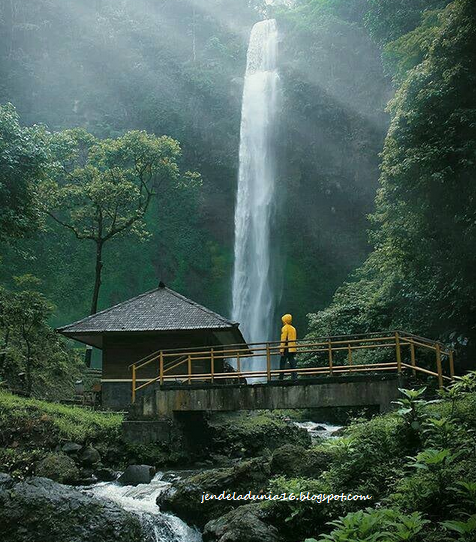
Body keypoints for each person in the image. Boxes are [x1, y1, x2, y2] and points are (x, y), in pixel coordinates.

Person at [279, 314, 297, 380]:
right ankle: (294, 377)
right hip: (292, 348)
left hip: (286, 348)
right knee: (292, 363)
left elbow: (283, 339)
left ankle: (281, 377)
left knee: (282, 363)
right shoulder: (293, 328)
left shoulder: (284, 328)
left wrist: (281, 350)